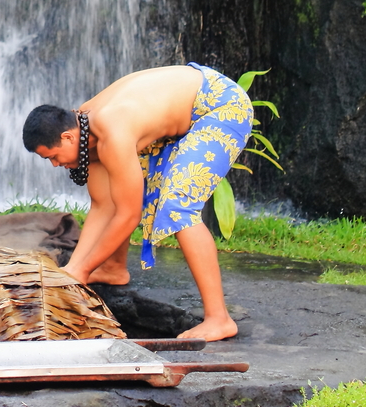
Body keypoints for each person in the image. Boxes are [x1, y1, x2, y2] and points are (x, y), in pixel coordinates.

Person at [22, 62, 253, 341]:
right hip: (183, 110)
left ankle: (220, 318)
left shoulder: (112, 131)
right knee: (115, 194)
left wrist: (79, 270)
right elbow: (103, 205)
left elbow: (128, 215)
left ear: (67, 137)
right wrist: (74, 270)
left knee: (178, 205)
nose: (56, 165)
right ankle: (112, 269)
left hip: (219, 105)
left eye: (53, 157)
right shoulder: (84, 127)